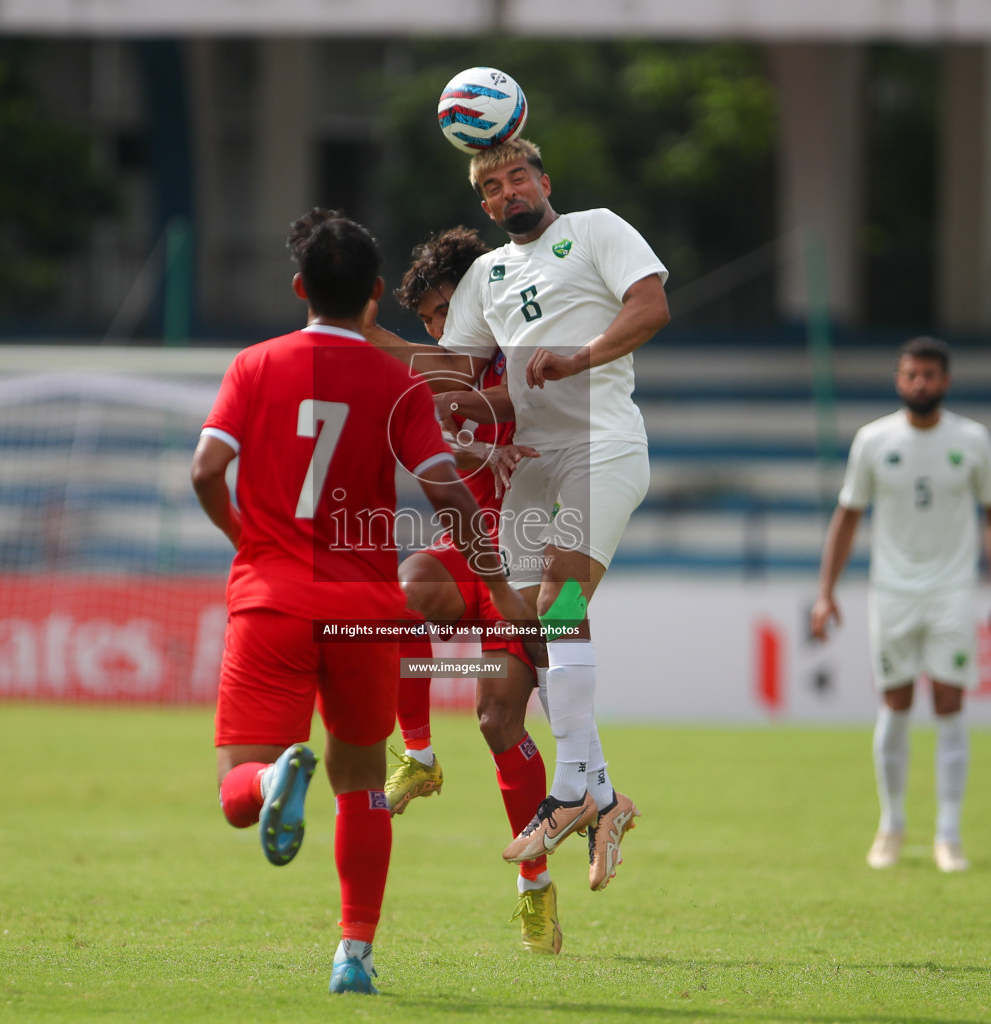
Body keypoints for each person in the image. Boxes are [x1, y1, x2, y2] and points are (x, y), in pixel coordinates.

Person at [191, 209, 527, 995]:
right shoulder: (396, 380)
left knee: (238, 790)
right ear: (377, 295)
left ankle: (271, 784)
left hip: (271, 597)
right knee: (364, 785)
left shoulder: (254, 365)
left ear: (300, 287)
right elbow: (447, 492)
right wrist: (502, 585)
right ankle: (354, 955)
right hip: (365, 609)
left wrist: (246, 536)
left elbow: (208, 468)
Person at [411, 138, 672, 891]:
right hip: (533, 462)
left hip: (602, 443)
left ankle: (567, 790)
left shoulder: (594, 229)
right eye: (492, 185)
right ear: (484, 204)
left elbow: (650, 304)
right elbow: (453, 375)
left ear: (543, 181)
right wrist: (365, 343)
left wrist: (580, 356)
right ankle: (602, 795)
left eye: (517, 175)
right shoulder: (488, 276)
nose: (507, 189)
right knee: (531, 623)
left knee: (560, 595)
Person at [365, 226, 561, 953]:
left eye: (447, 310)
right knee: (404, 590)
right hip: (471, 553)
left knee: (499, 721)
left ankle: (535, 886)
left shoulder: (528, 350)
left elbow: (533, 398)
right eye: (429, 322)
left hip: (543, 559)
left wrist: (370, 328)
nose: (441, 331)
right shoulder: (447, 374)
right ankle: (416, 753)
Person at [810, 336, 991, 873]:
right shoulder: (874, 440)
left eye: (930, 375)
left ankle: (948, 833)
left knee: (950, 701)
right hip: (892, 592)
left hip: (952, 592)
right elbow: (848, 516)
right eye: (911, 375)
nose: (920, 383)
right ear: (899, 380)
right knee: (895, 704)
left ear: (946, 381)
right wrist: (826, 591)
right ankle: (892, 826)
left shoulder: (973, 441)